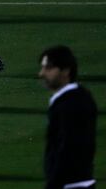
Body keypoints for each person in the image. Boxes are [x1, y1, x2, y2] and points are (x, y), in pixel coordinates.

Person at [38, 46, 97, 189]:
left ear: (66, 71)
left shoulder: (70, 104)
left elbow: (68, 147)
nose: (42, 73)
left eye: (49, 68)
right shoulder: (77, 96)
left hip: (71, 184)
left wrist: (53, 184)